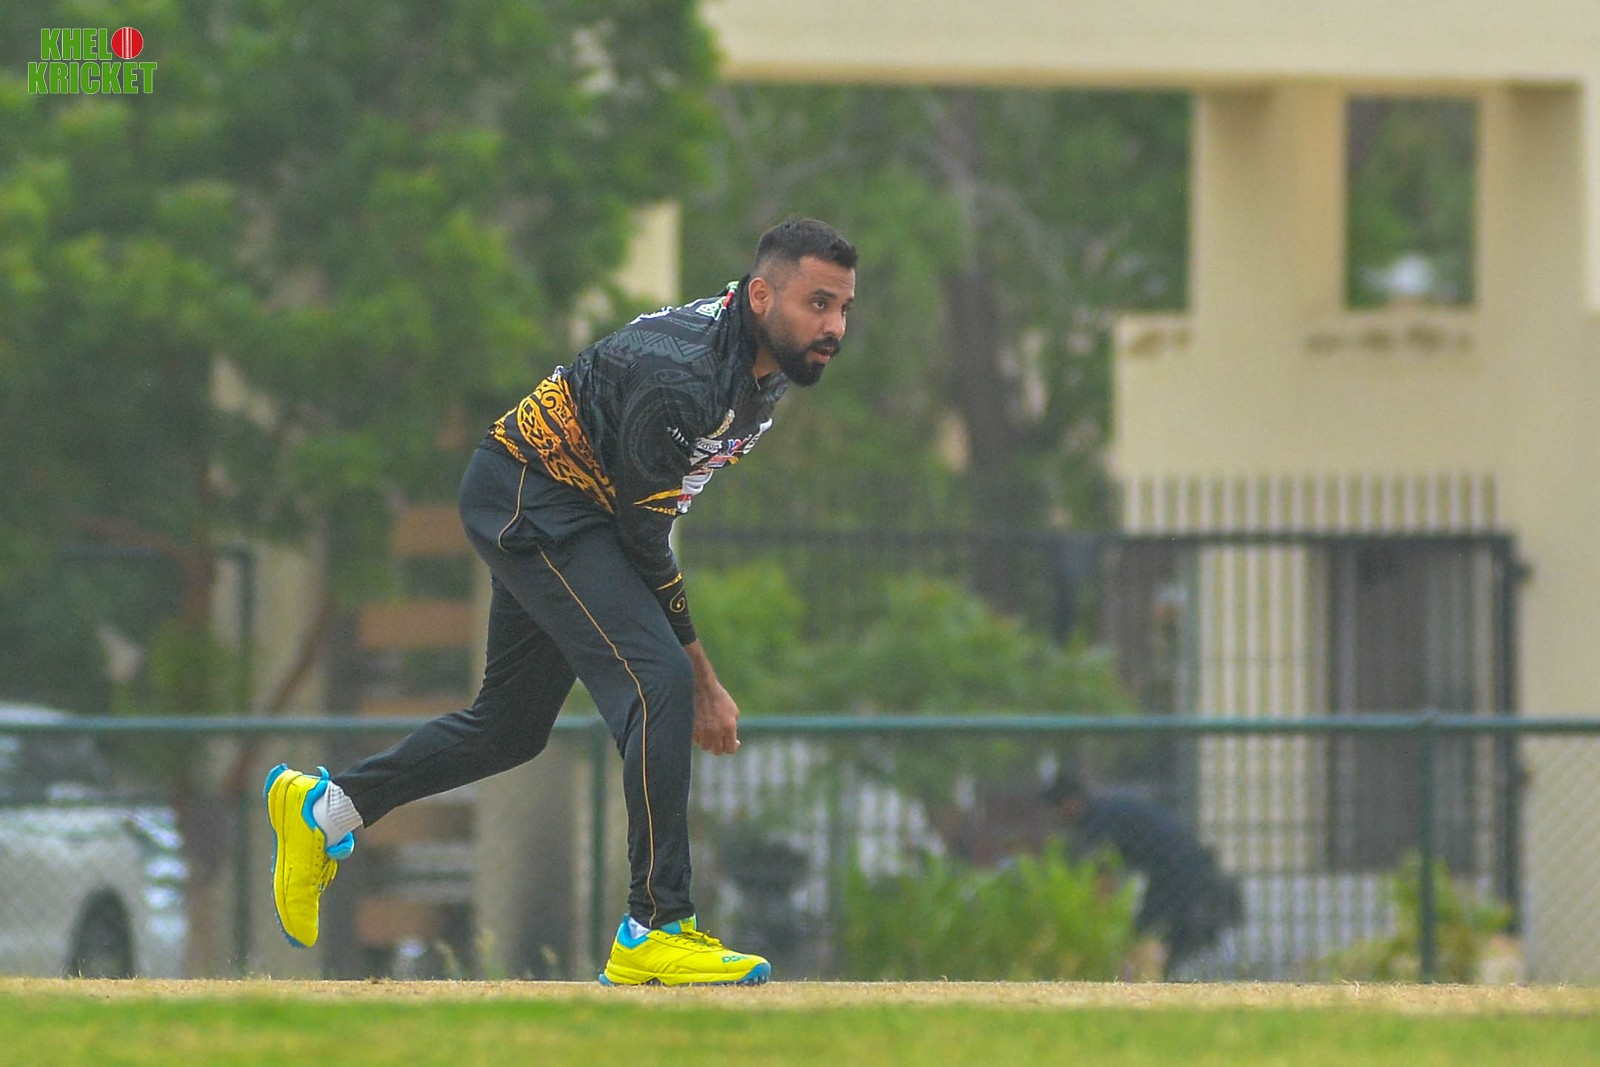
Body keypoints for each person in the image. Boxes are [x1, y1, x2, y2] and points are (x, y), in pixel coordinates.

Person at [264, 218, 858, 986]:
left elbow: (651, 509)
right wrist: (704, 677)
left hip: (571, 507)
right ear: (761, 296)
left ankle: (325, 811)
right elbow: (646, 540)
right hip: (533, 496)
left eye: (844, 308)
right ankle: (657, 926)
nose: (834, 327)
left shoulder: (761, 368)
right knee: (660, 682)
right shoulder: (684, 378)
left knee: (508, 728)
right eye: (818, 304)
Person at [1043, 773, 1243, 979]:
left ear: (1071, 802)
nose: (1057, 817)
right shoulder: (1108, 808)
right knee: (1158, 934)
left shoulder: (1096, 820)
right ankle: (1162, 976)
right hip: (1180, 870)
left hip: (1176, 873)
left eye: (1057, 809)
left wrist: (1097, 919)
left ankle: (1157, 979)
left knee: (1150, 933)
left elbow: (1104, 878)